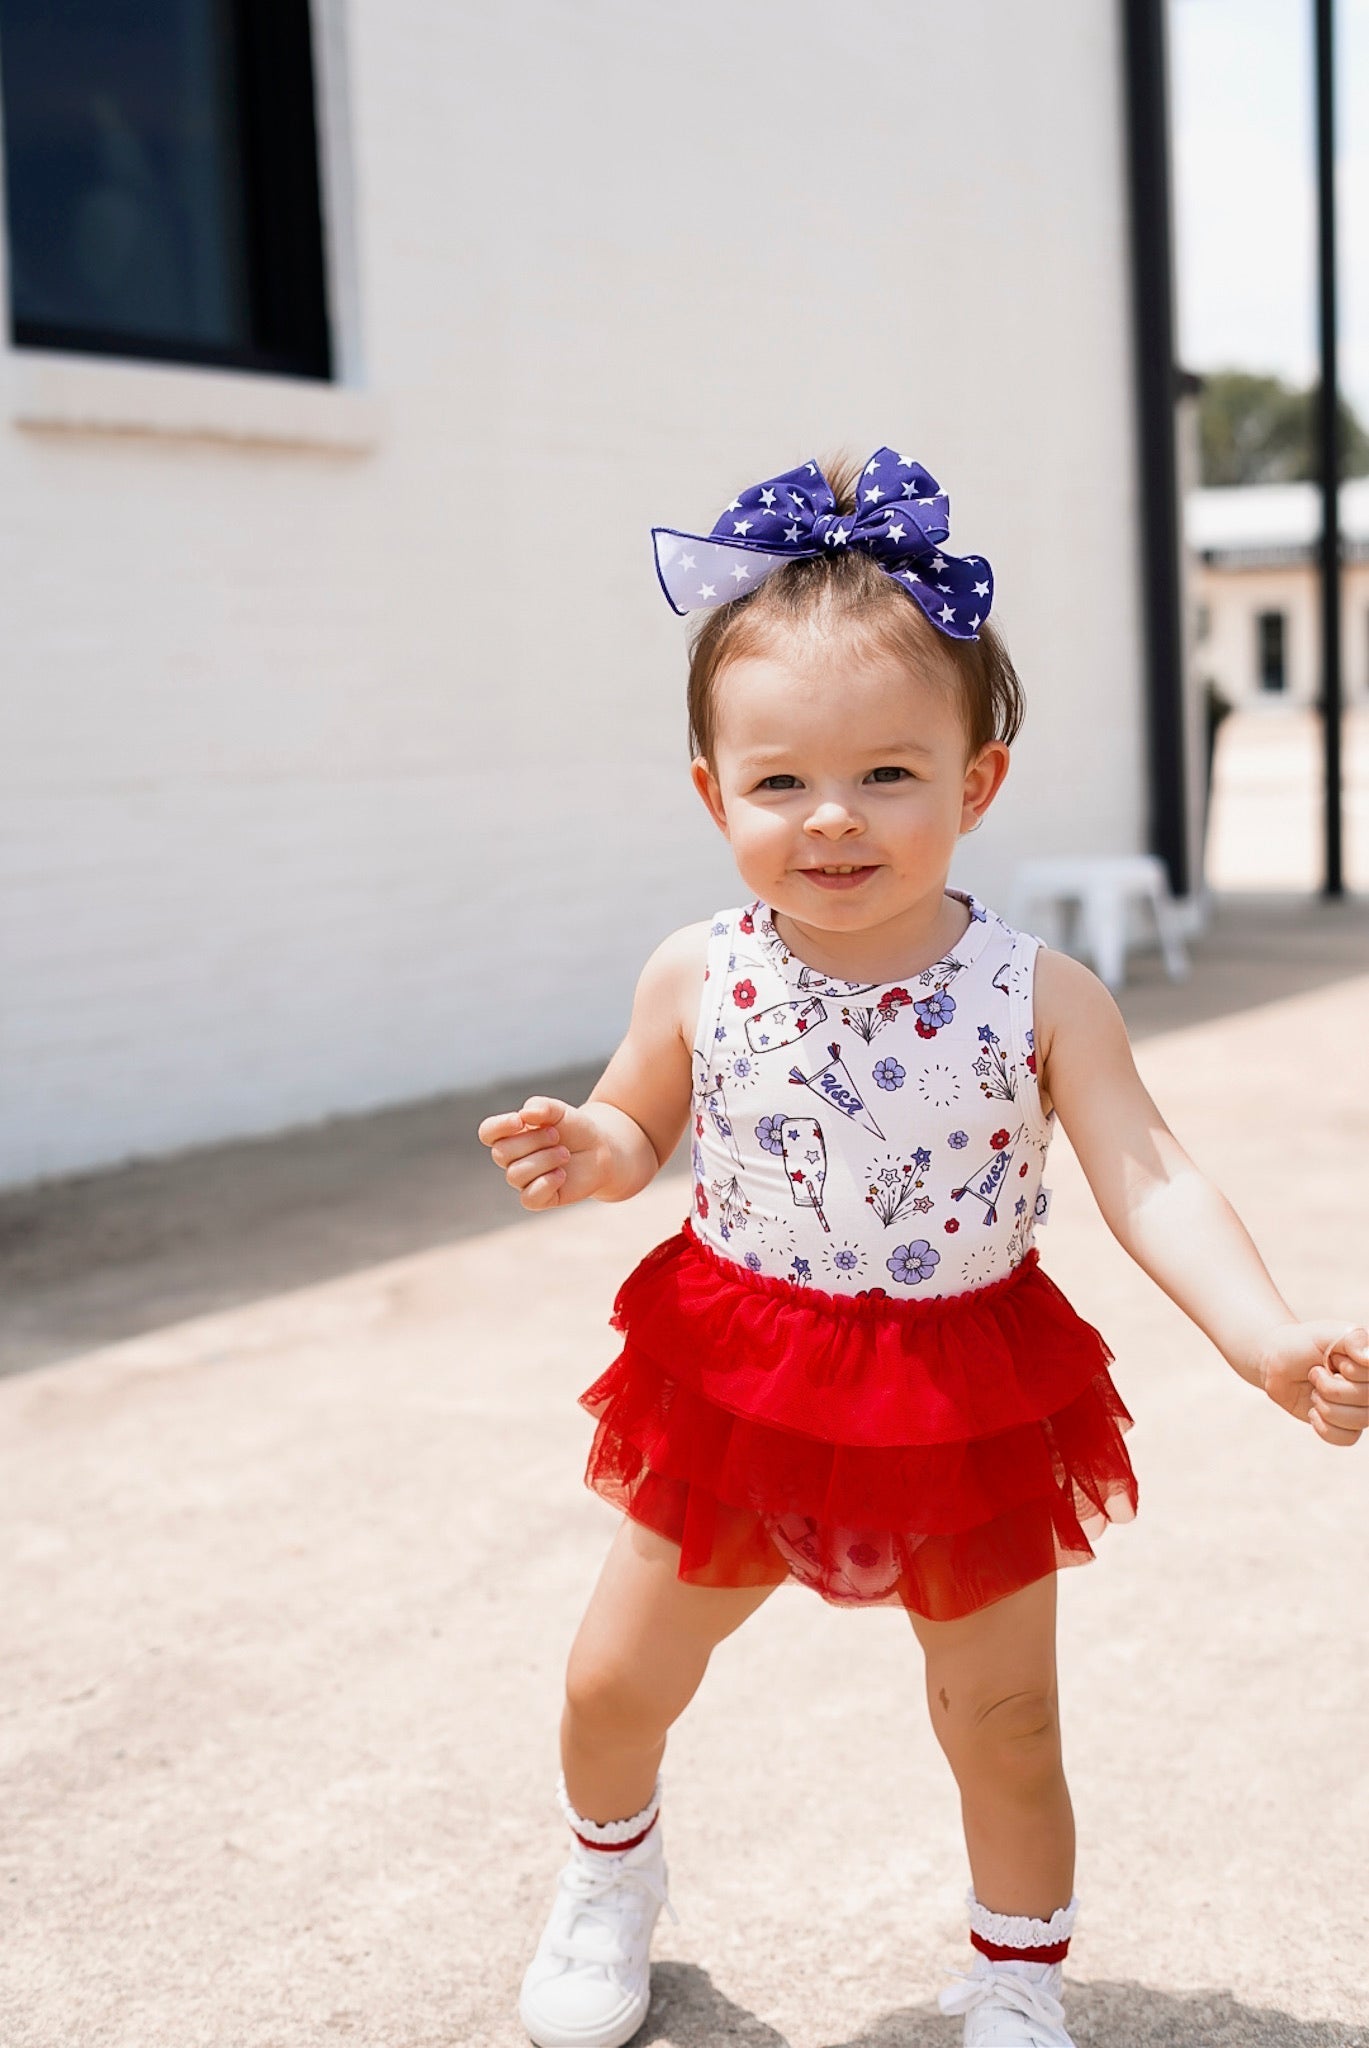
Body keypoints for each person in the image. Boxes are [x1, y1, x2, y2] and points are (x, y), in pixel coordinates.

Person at [478, 447, 1369, 2048]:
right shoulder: (696, 970)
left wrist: (1263, 1336)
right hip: (736, 1367)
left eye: (889, 773)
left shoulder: (1039, 996)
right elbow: (636, 1124)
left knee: (1004, 1718)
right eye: (778, 782)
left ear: (977, 782)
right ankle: (609, 1877)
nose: (832, 818)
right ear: (711, 793)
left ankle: (1017, 1981)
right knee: (614, 1679)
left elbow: (1146, 1171)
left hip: (960, 1385)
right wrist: (586, 1153)